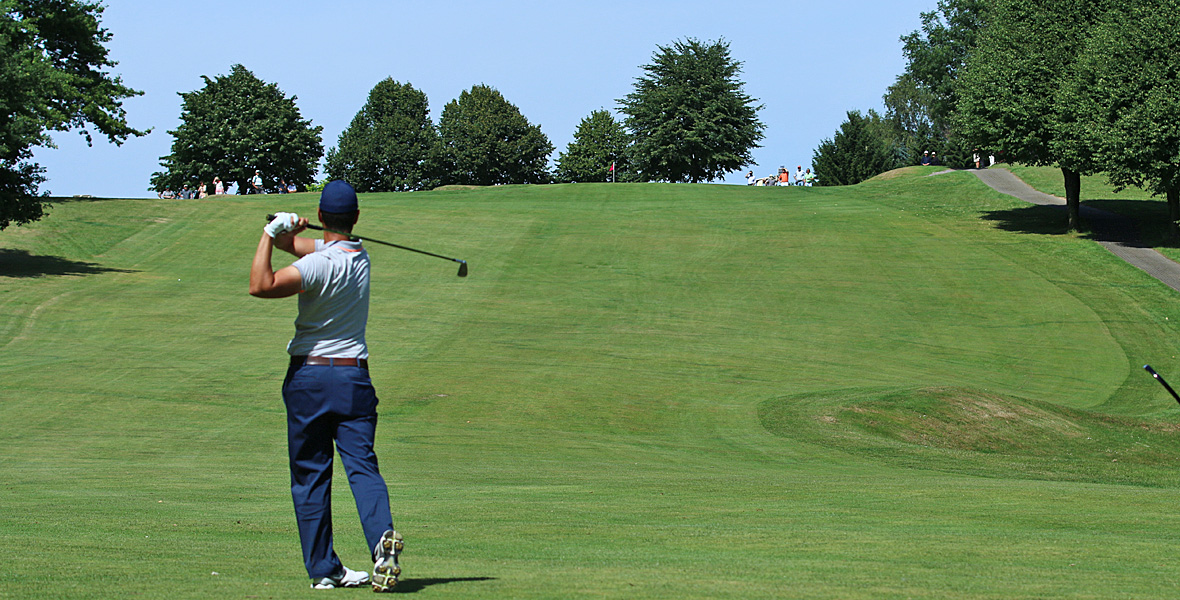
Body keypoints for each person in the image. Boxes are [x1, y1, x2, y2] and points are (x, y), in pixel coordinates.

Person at [249, 180, 404, 592]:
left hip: (310, 378)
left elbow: (260, 285)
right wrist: (290, 233)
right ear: (355, 218)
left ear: (321, 215)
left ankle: (323, 569)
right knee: (362, 466)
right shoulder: (360, 257)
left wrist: (269, 233)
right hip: (354, 377)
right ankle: (380, 540)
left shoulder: (317, 265)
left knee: (311, 474)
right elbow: (301, 249)